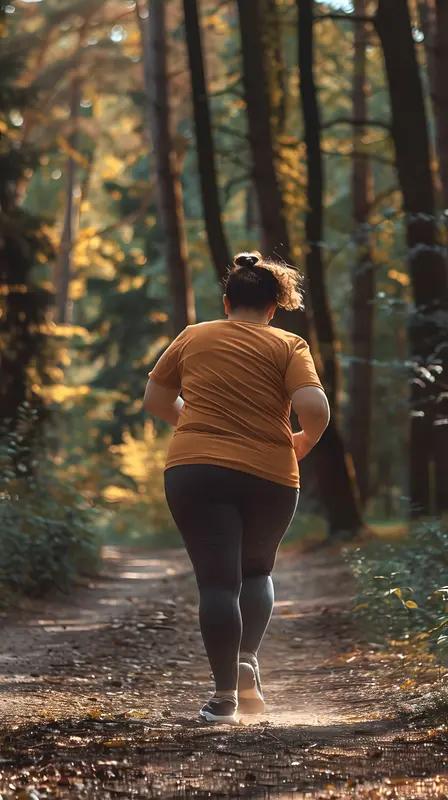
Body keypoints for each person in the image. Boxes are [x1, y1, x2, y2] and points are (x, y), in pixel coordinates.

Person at [143, 252, 329, 723]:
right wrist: (301, 441)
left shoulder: (194, 336)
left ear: (227, 302)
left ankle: (225, 697)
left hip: (196, 470)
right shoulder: (289, 345)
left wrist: (194, 423)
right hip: (270, 472)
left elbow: (156, 399)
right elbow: (315, 409)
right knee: (256, 572)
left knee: (217, 583)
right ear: (273, 307)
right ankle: (246, 660)